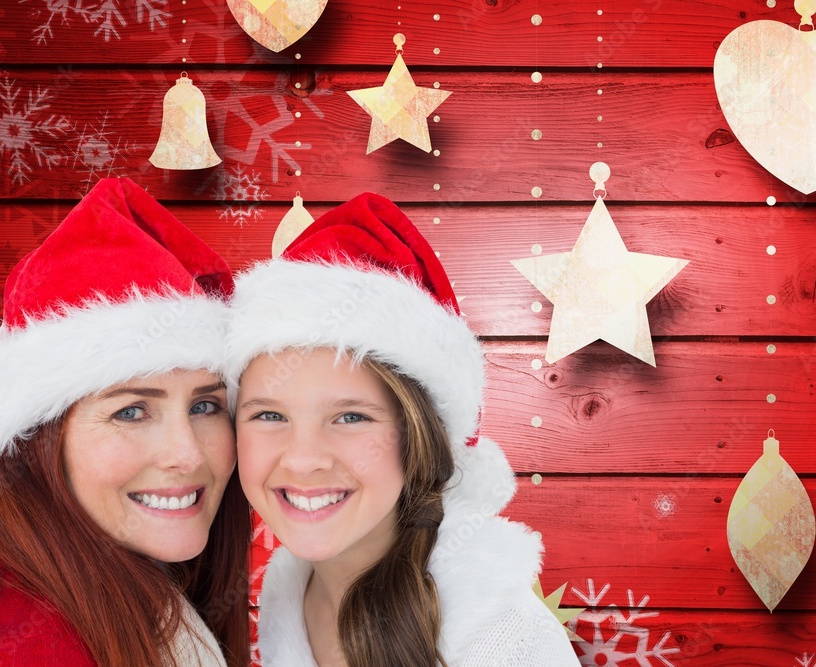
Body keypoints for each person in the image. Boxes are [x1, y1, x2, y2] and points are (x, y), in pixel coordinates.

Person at [225, 192, 580, 666]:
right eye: (269, 415)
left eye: (351, 417)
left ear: (417, 438)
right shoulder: (290, 592)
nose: (304, 458)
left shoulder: (503, 639)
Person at [0, 178, 250, 666]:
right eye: (130, 411)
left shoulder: (92, 563)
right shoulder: (0, 643)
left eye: (205, 406)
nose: (189, 454)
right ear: (40, 437)